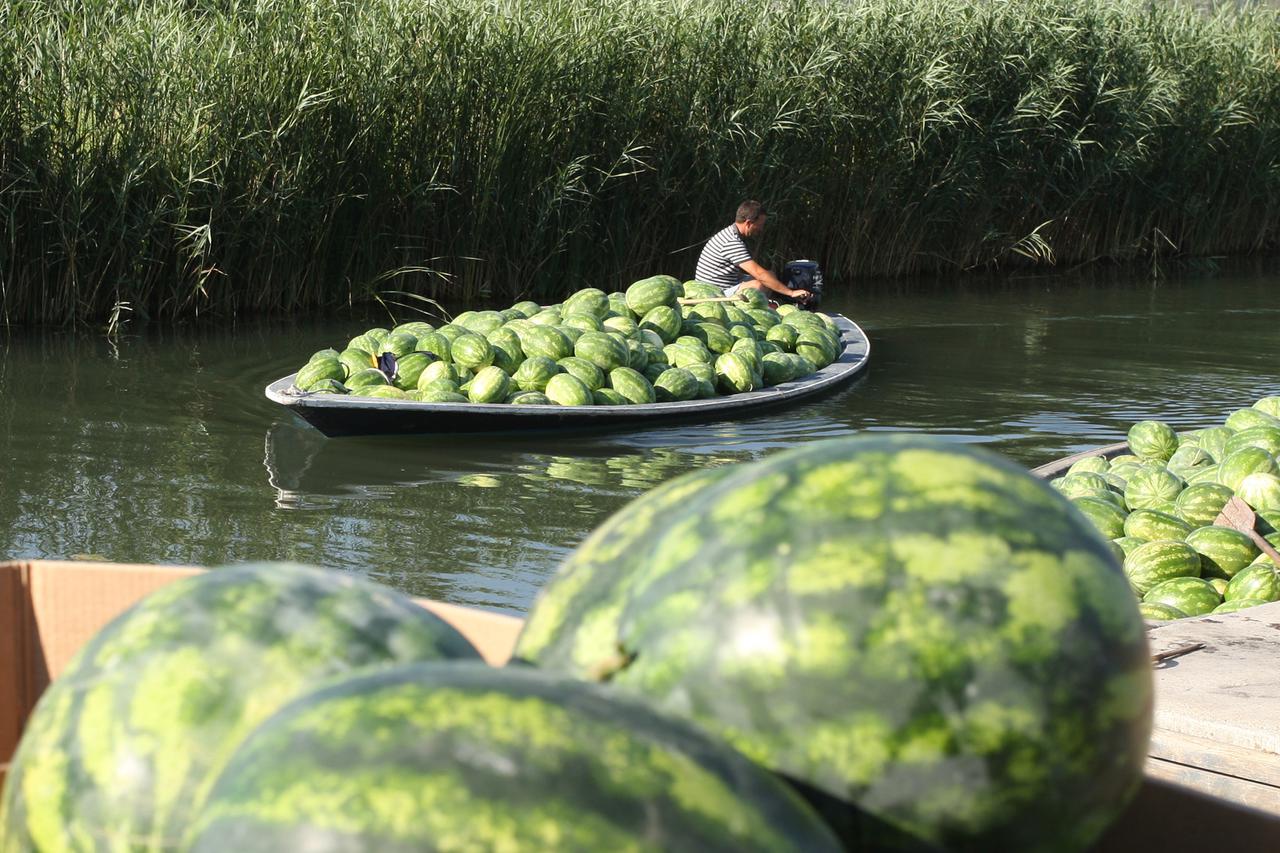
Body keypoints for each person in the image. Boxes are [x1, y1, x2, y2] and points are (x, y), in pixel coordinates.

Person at [694, 200, 811, 303]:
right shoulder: (731, 242)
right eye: (760, 225)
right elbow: (759, 274)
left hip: (727, 283)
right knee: (759, 284)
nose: (761, 229)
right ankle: (759, 309)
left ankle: (763, 304)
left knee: (770, 275)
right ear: (749, 223)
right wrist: (790, 293)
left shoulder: (731, 233)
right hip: (713, 293)